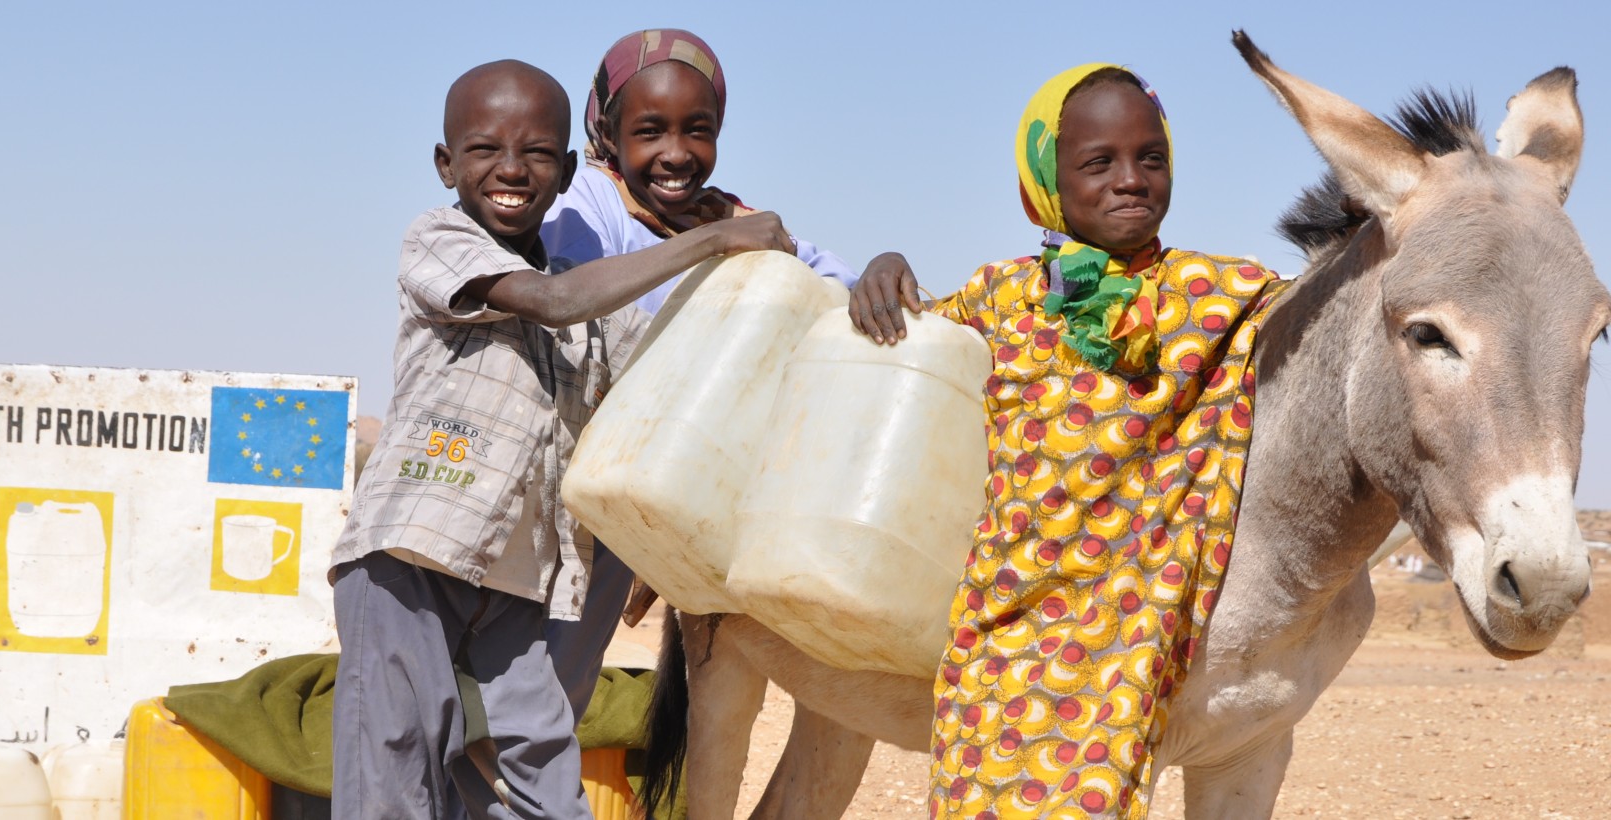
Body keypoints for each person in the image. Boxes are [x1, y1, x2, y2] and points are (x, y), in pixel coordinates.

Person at [329, 59, 792, 820]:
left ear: (569, 168)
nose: (511, 169)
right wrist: (709, 243)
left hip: (518, 584)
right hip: (410, 561)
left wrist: (806, 268)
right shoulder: (441, 240)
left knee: (542, 779)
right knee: (394, 783)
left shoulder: (599, 304)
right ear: (446, 164)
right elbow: (550, 301)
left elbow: (679, 367)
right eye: (484, 150)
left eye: (538, 153)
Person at [852, 64, 1289, 818]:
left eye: (1151, 158)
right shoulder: (997, 298)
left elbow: (1338, 311)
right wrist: (885, 267)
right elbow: (917, 348)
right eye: (1099, 162)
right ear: (1044, 182)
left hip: (1123, 651)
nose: (1131, 180)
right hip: (996, 639)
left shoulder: (1225, 297)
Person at [539, 29, 917, 711]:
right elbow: (566, 303)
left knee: (556, 703)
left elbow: (837, 291)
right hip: (555, 500)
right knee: (516, 700)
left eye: (698, 130)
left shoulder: (737, 224)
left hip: (638, 506)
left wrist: (885, 267)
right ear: (607, 130)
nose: (677, 154)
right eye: (650, 131)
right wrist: (707, 246)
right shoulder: (588, 209)